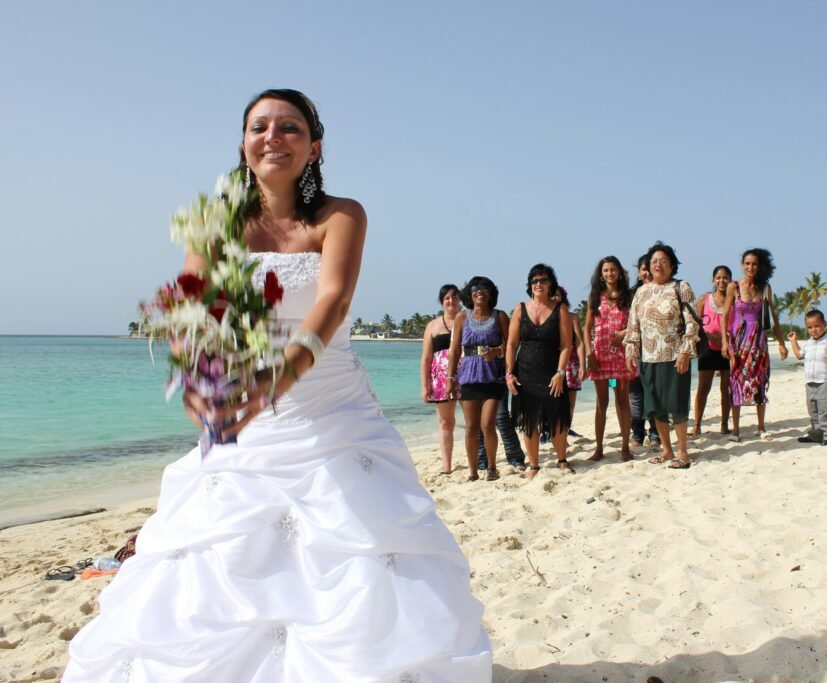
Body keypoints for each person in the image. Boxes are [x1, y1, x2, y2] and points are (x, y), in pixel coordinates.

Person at [63, 89, 491, 681]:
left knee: (361, 551)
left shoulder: (341, 215)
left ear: (315, 147)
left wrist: (275, 380)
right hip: (247, 416)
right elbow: (195, 313)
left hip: (334, 413)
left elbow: (334, 300)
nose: (273, 137)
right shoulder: (215, 221)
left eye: (290, 128)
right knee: (224, 558)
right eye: (259, 126)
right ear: (243, 144)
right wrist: (197, 376)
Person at [624, 242, 700, 469]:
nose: (658, 265)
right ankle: (667, 451)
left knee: (676, 405)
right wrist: (631, 351)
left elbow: (692, 322)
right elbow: (633, 325)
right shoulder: (641, 291)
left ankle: (683, 452)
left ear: (672, 265)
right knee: (655, 406)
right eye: (654, 261)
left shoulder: (681, 287)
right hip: (648, 358)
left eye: (663, 261)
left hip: (674, 355)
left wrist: (686, 351)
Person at [505, 264, 575, 481]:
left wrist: (560, 373)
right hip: (524, 372)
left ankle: (562, 460)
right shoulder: (520, 309)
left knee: (557, 419)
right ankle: (533, 464)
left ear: (551, 284)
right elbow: (511, 344)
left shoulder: (560, 309)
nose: (538, 284)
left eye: (543, 280)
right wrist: (509, 373)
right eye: (534, 281)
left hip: (552, 372)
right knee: (529, 421)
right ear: (530, 285)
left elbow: (566, 346)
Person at [720, 247, 788, 441]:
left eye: (754, 264)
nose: (750, 267)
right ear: (742, 265)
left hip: (758, 340)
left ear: (760, 266)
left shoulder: (765, 288)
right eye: (747, 263)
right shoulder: (734, 286)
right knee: (736, 381)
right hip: (738, 340)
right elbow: (725, 316)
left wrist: (782, 344)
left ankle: (761, 427)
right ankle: (736, 430)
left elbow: (773, 316)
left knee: (760, 379)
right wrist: (725, 342)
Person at [448, 275, 508, 482]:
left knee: (488, 425)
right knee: (471, 427)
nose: (479, 291)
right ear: (469, 294)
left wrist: (497, 352)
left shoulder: (499, 316)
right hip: (468, 376)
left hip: (493, 376)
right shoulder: (462, 318)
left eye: (484, 288)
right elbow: (455, 350)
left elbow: (510, 346)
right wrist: (450, 378)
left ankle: (492, 467)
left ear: (491, 293)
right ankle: (473, 472)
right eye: (475, 288)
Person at [582, 256, 636, 461]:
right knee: (601, 402)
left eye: (613, 270)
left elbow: (636, 323)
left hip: (621, 359)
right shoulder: (595, 297)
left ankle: (624, 447)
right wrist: (589, 355)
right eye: (605, 270)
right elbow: (586, 328)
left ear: (620, 273)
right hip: (600, 359)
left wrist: (623, 334)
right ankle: (598, 448)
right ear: (601, 274)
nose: (609, 273)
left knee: (622, 400)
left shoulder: (628, 297)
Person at [787, 309, 827, 445]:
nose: (814, 330)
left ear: (824, 324)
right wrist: (793, 341)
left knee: (826, 409)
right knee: (813, 410)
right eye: (810, 327)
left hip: (825, 381)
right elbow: (799, 355)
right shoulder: (809, 343)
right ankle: (816, 434)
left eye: (817, 326)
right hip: (810, 382)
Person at [421, 283, 461, 474]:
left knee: (474, 421)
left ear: (460, 300)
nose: (451, 301)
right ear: (441, 301)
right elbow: (426, 358)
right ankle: (447, 466)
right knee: (446, 422)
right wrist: (425, 385)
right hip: (440, 379)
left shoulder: (468, 320)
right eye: (447, 298)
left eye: (454, 297)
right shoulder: (432, 326)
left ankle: (480, 460)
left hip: (467, 374)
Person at [689, 265, 733, 436]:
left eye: (725, 277)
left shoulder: (734, 301)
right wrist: (706, 336)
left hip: (727, 350)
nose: (722, 281)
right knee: (703, 388)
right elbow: (695, 323)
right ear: (713, 280)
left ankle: (724, 425)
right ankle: (697, 425)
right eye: (719, 277)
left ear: (730, 280)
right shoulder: (703, 299)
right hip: (707, 350)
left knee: (726, 388)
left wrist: (726, 338)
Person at [627, 254, 660, 450]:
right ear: (638, 272)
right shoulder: (631, 295)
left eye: (650, 268)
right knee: (636, 395)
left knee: (654, 394)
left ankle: (655, 434)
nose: (647, 272)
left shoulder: (663, 292)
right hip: (635, 351)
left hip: (657, 351)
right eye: (643, 268)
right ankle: (637, 434)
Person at [552, 285, 586, 437]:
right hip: (551, 364)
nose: (554, 298)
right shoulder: (544, 318)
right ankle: (551, 432)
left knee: (570, 403)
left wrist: (583, 365)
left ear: (563, 297)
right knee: (553, 401)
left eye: (557, 295)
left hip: (571, 365)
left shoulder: (572, 317)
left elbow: (579, 342)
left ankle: (565, 432)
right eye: (551, 295)